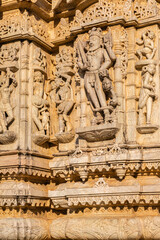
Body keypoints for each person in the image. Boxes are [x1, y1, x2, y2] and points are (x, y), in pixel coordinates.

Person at [77, 27, 112, 124]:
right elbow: (79, 62)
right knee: (90, 91)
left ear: (99, 41)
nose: (91, 41)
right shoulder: (87, 53)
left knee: (99, 90)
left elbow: (109, 60)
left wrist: (101, 69)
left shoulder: (101, 50)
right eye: (90, 39)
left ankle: (106, 111)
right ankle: (98, 113)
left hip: (97, 73)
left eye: (94, 39)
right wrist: (83, 67)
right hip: (88, 74)